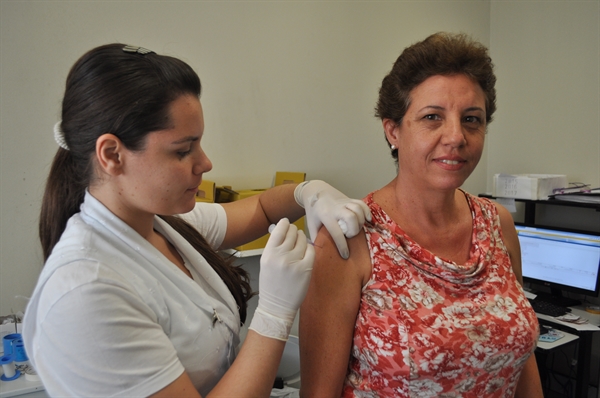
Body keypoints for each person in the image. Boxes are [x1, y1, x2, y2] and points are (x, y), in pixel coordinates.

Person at [22, 43, 371, 397]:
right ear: (112, 154)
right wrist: (275, 313)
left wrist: (308, 193)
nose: (204, 163)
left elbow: (261, 210)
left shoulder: (160, 223)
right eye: (182, 150)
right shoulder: (86, 294)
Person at [299, 32, 543, 397]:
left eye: (472, 119)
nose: (456, 136)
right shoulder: (349, 238)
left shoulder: (498, 224)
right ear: (393, 130)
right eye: (432, 117)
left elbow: (521, 360)